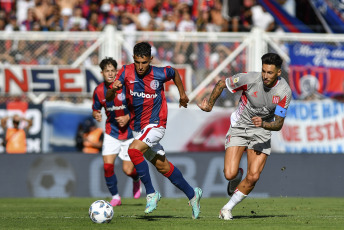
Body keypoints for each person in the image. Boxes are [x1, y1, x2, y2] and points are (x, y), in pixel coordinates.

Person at [106, 42, 202, 219]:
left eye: (144, 62)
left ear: (150, 59)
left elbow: (174, 72)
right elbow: (108, 96)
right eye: (137, 62)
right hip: (138, 128)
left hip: (157, 124)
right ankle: (193, 194)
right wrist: (113, 88)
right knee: (163, 167)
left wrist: (182, 95)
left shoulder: (159, 73)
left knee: (133, 150)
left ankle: (151, 193)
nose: (141, 66)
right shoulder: (125, 72)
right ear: (133, 59)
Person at [198, 53, 292, 220]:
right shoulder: (249, 79)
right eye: (263, 71)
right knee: (229, 174)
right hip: (239, 127)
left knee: (254, 175)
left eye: (270, 73)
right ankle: (236, 176)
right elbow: (222, 84)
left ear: (278, 73)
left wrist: (263, 124)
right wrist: (210, 105)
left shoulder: (284, 92)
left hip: (261, 130)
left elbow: (278, 124)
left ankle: (227, 208)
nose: (265, 76)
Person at [92, 57, 141, 206]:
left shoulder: (126, 87)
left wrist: (127, 117)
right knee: (107, 166)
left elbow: (138, 108)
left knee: (127, 170)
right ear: (102, 73)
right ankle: (116, 197)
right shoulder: (99, 90)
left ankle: (136, 178)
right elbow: (95, 109)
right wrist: (96, 114)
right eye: (107, 71)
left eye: (113, 70)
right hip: (111, 133)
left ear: (117, 72)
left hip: (127, 135)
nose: (110, 74)